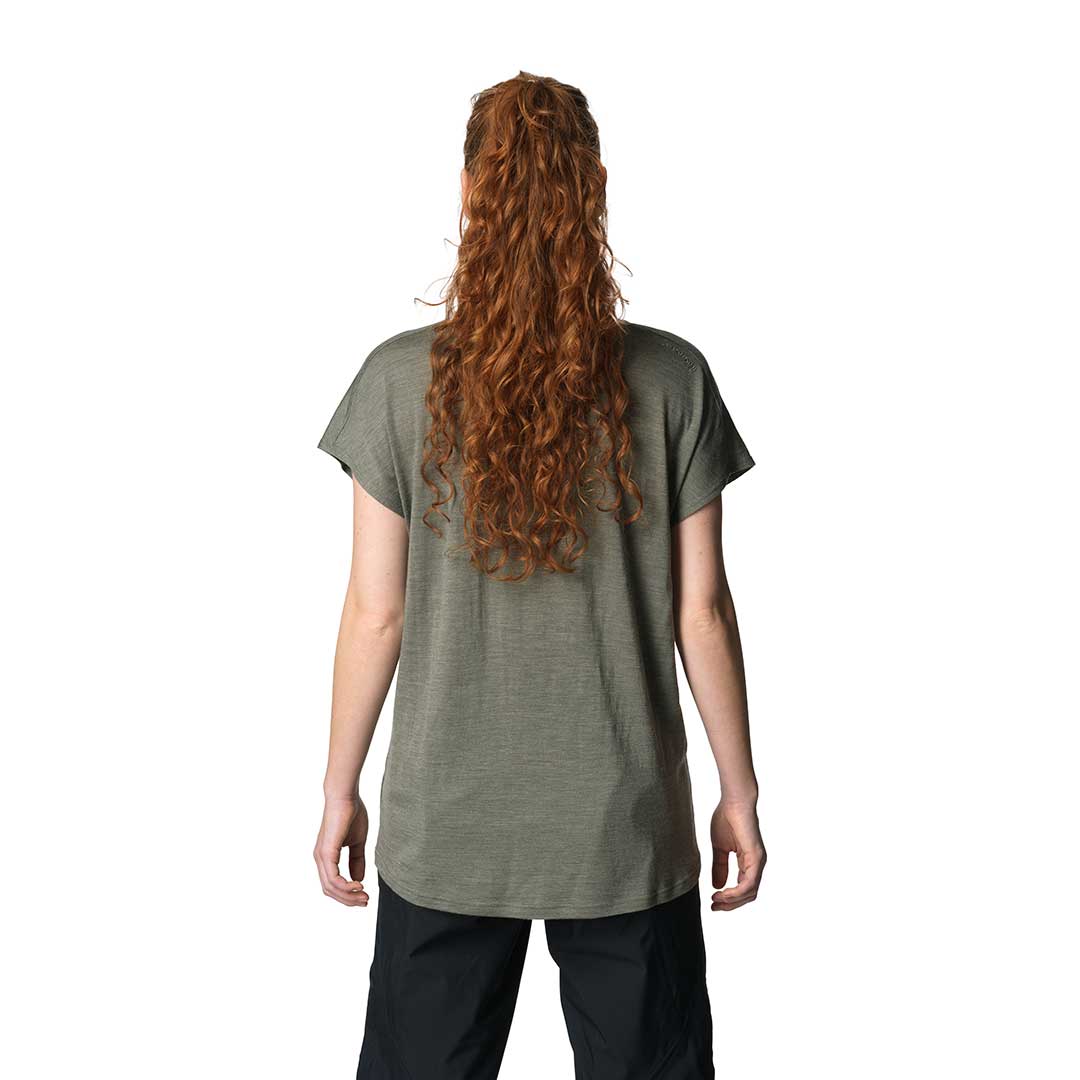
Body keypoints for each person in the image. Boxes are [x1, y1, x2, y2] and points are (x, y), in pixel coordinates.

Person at [314, 72, 765, 1080]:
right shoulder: (673, 378)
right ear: (594, 187)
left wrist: (340, 787)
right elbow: (701, 612)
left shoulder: (396, 380)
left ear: (468, 191)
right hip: (625, 826)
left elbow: (376, 615)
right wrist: (738, 791)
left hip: (447, 820)